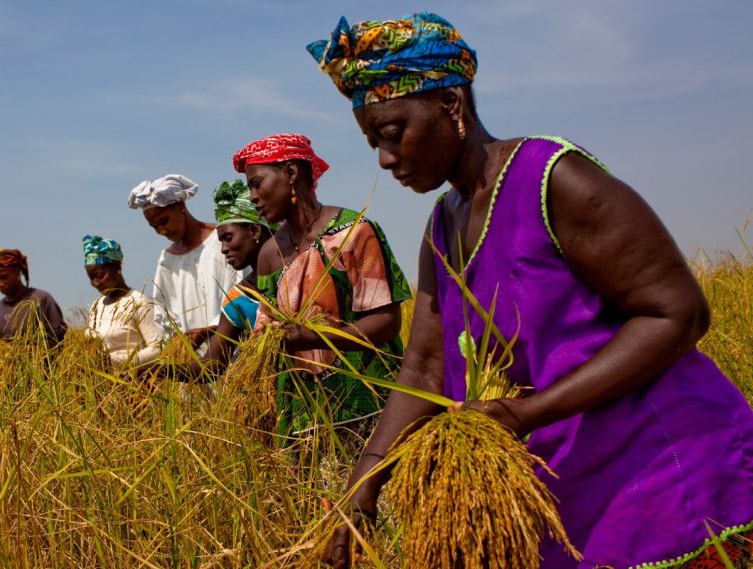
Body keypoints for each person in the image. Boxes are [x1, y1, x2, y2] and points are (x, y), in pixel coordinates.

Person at [306, 12, 753, 568]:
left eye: (393, 133)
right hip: (566, 494)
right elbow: (423, 367)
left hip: (665, 474)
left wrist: (527, 413)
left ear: (451, 105)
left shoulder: (553, 178)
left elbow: (677, 314)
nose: (385, 158)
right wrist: (363, 487)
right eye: (373, 141)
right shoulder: (441, 227)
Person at [233, 133, 411, 445]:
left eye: (257, 183)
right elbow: (267, 331)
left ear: (290, 173)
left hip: (371, 409)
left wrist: (308, 336)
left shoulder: (352, 232)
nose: (252, 197)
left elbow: (386, 322)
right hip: (304, 418)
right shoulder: (269, 255)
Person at [128, 174, 243, 349]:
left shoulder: (221, 242)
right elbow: (163, 313)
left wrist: (211, 331)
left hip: (232, 347)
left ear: (180, 206)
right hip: (192, 360)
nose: (161, 231)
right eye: (154, 227)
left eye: (163, 221)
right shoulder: (167, 261)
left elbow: (239, 291)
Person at [191, 179, 274, 375]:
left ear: (254, 230)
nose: (223, 249)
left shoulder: (299, 273)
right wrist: (159, 369)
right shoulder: (238, 298)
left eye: (228, 238)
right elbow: (212, 366)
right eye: (220, 242)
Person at [82, 234, 163, 368]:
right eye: (91, 278)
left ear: (117, 267)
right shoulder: (96, 306)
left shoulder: (139, 302)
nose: (95, 283)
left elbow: (157, 349)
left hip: (133, 383)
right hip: (102, 385)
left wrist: (113, 362)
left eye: (100, 276)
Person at [0, 248, 67, 346]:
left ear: (18, 272)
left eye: (4, 277)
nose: (0, 284)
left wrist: (32, 351)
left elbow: (58, 340)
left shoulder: (41, 299)